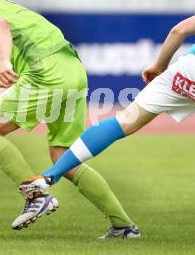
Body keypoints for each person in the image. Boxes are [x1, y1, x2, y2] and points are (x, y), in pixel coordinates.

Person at [0, 0, 138, 236]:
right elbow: (18, 32)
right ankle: (123, 226)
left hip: (46, 73)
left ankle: (35, 197)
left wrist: (3, 63)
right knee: (64, 157)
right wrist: (9, 82)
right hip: (72, 69)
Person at [19, 15, 195, 238]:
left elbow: (179, 31)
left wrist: (159, 67)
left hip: (184, 72)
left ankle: (49, 176)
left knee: (122, 122)